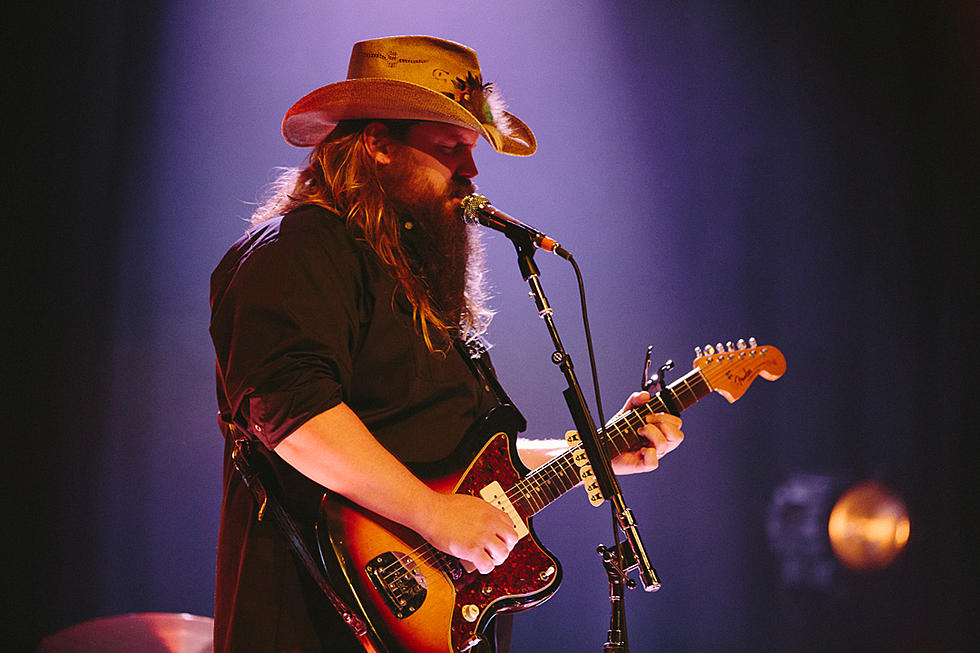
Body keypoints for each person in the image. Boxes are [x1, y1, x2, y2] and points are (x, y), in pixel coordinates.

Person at [209, 35, 684, 653]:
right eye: (450, 147)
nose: (472, 170)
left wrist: (598, 450)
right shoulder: (299, 249)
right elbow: (291, 412)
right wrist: (430, 516)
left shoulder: (407, 279)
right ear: (378, 144)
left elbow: (457, 464)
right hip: (316, 624)